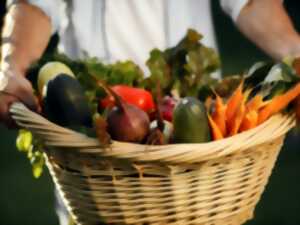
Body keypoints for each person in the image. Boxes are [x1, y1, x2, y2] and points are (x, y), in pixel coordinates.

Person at [1, 0, 300, 224]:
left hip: (202, 159)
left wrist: (295, 50)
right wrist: (11, 66)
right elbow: (34, 4)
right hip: (96, 162)